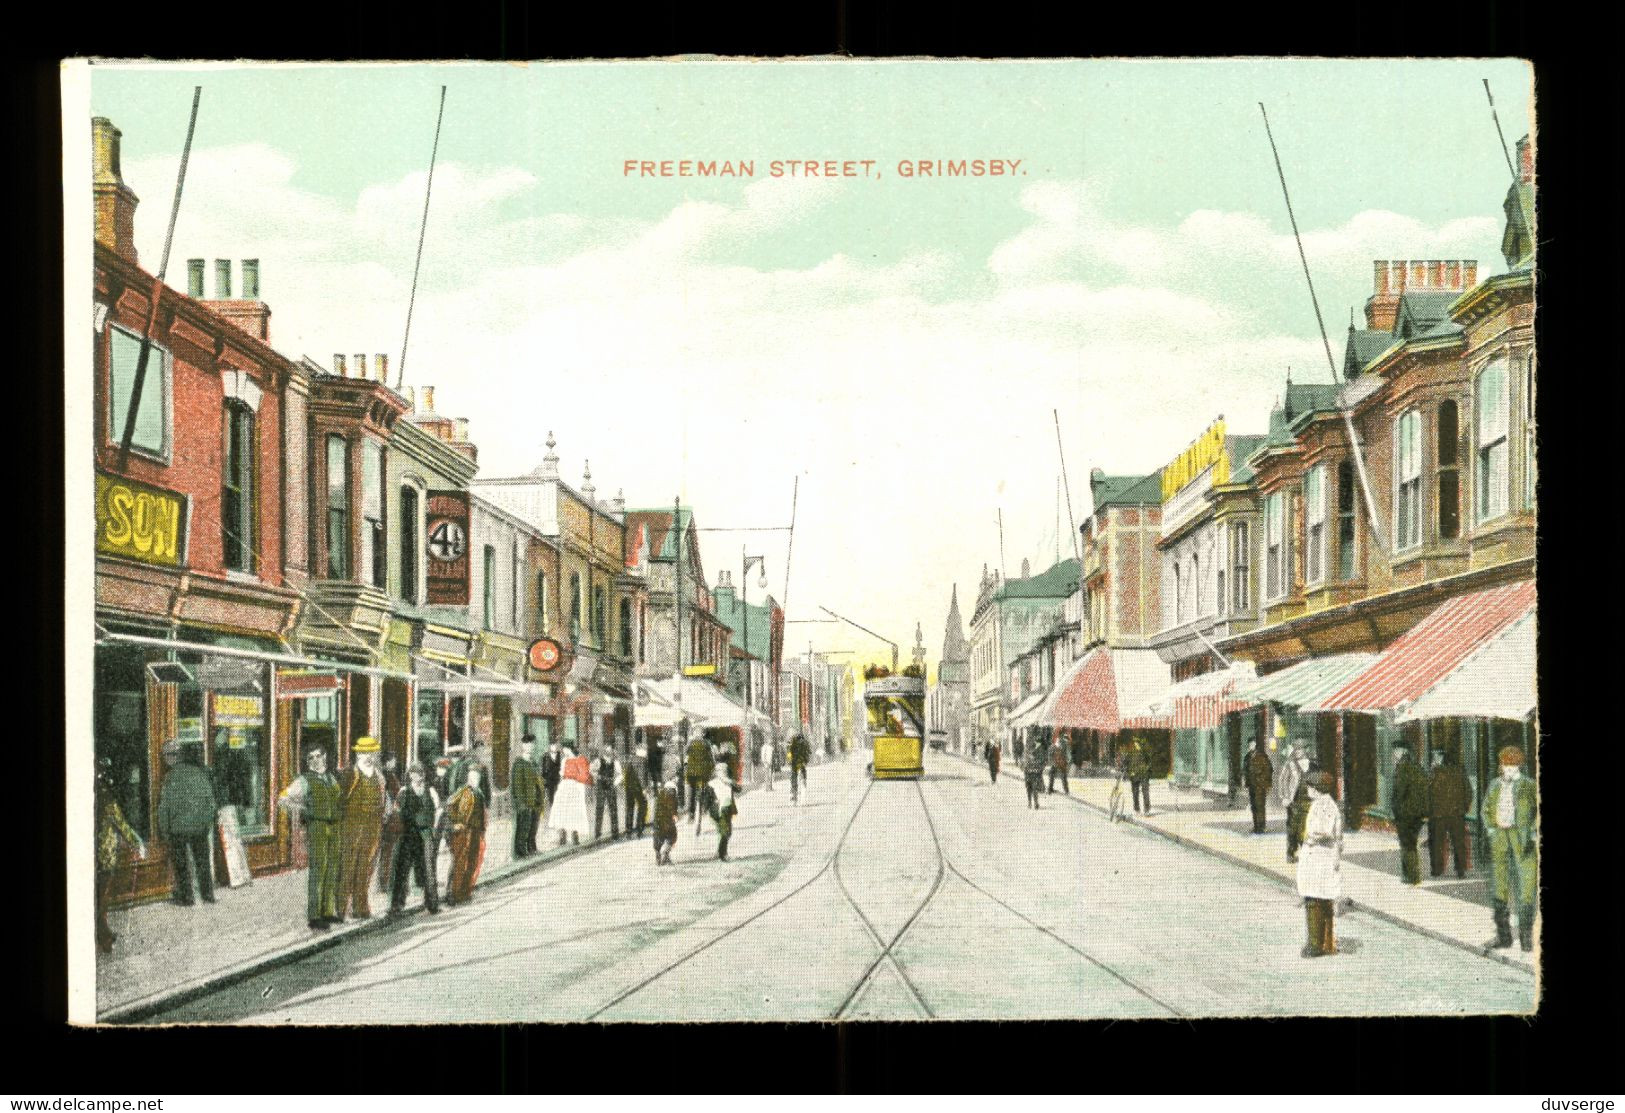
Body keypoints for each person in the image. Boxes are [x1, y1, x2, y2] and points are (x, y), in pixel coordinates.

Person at [279, 744, 343, 929]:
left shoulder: (332, 778)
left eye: (318, 756)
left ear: (325, 757)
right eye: (311, 758)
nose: (315, 760)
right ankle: (315, 916)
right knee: (318, 869)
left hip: (334, 826)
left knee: (332, 868)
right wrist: (303, 810)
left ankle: (328, 911)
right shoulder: (304, 780)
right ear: (307, 762)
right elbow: (283, 799)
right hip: (317, 826)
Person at [1481, 745, 1537, 952]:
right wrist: (1490, 829)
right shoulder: (1495, 785)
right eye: (1506, 764)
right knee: (1499, 885)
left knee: (1526, 887)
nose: (1509, 769)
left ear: (1520, 766)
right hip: (1500, 837)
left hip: (1522, 839)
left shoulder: (1529, 785)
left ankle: (1526, 938)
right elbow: (1486, 809)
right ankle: (1503, 936)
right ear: (1501, 766)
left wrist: (1532, 831)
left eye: (1513, 765)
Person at [154, 739, 217, 907]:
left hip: (178, 829)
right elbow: (211, 803)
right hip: (199, 827)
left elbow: (164, 808)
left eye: (170, 755)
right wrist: (206, 824)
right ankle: (208, 894)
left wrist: (165, 831)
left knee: (181, 865)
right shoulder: (200, 773)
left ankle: (187, 897)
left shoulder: (170, 777)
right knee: (203, 862)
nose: (169, 758)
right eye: (167, 754)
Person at [336, 736, 392, 921]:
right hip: (351, 828)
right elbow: (338, 801)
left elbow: (385, 801)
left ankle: (361, 908)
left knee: (366, 868)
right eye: (364, 752)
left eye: (371, 752)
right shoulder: (349, 774)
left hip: (373, 827)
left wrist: (385, 814)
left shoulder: (379, 776)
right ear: (358, 754)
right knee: (347, 869)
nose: (368, 756)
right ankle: (341, 911)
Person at [95, 757, 147, 952]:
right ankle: (104, 937)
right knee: (102, 897)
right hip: (104, 855)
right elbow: (121, 824)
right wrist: (137, 843)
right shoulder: (106, 799)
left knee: (98, 896)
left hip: (89, 856)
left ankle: (104, 932)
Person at [1296, 770, 1343, 958]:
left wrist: (1308, 837)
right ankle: (1324, 942)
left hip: (1320, 859)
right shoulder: (1322, 804)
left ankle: (1316, 944)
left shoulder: (1324, 805)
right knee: (1320, 900)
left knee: (1315, 901)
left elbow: (1324, 830)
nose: (1307, 789)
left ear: (1316, 789)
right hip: (1320, 859)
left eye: (1309, 786)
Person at [389, 762, 442, 915]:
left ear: (423, 775)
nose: (416, 776)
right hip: (408, 834)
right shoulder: (404, 791)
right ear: (410, 776)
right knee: (403, 868)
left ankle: (432, 903)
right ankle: (396, 905)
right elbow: (396, 811)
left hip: (426, 833)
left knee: (429, 868)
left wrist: (434, 828)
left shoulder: (430, 791)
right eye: (413, 774)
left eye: (419, 773)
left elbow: (438, 810)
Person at [444, 765, 488, 906]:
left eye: (478, 776)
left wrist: (482, 830)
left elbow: (482, 813)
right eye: (473, 776)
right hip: (463, 832)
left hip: (475, 832)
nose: (476, 779)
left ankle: (464, 892)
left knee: (472, 862)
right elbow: (449, 805)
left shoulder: (479, 793)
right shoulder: (463, 791)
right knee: (459, 862)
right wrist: (455, 823)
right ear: (468, 777)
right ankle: (452, 893)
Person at [1428, 751, 1472, 880]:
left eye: (1436, 757)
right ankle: (1461, 870)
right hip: (1457, 813)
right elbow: (1468, 791)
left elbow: (1428, 791)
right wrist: (1464, 807)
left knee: (1437, 842)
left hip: (1438, 814)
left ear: (1441, 758)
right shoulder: (1459, 771)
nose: (1434, 759)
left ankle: (1437, 869)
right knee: (1459, 842)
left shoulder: (1435, 772)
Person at [1390, 744, 1429, 885]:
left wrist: (1395, 810)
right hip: (1417, 814)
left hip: (1405, 814)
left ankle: (1412, 876)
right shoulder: (1417, 767)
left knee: (1407, 845)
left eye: (1395, 751)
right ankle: (1409, 874)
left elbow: (1399, 792)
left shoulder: (1402, 768)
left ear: (1401, 751)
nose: (1393, 753)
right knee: (1411, 843)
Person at [549, 743, 592, 846]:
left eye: (565, 749)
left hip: (575, 786)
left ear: (569, 749)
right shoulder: (564, 761)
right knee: (562, 810)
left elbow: (583, 776)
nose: (563, 751)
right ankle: (562, 835)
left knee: (574, 812)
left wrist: (580, 788)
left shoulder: (579, 759)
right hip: (565, 786)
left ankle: (575, 835)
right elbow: (562, 774)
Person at [511, 736, 545, 858]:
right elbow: (517, 786)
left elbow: (539, 781)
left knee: (533, 827)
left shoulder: (534, 763)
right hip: (525, 803)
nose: (530, 747)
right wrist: (521, 804)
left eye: (532, 744)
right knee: (523, 828)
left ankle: (532, 848)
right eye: (527, 744)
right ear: (522, 746)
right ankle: (521, 852)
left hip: (536, 801)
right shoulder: (519, 764)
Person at [376, 755, 403, 894]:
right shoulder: (387, 777)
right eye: (392, 760)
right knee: (388, 853)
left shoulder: (388, 775)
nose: (395, 762)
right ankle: (385, 883)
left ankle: (386, 882)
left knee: (388, 853)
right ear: (387, 762)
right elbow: (389, 798)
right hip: (390, 820)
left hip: (391, 820)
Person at [1280, 742, 1312, 862]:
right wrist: (1284, 797)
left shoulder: (1311, 763)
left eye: (1300, 749)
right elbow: (1282, 780)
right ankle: (1291, 853)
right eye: (1296, 749)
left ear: (1305, 750)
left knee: (1305, 828)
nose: (1297, 751)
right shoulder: (1290, 764)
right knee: (1293, 829)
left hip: (1308, 801)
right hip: (1294, 801)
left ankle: (1305, 853)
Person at [706, 761, 741, 861]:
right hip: (719, 810)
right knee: (725, 832)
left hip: (727, 809)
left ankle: (718, 852)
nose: (724, 773)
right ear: (717, 773)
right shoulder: (712, 784)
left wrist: (730, 782)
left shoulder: (729, 782)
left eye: (725, 771)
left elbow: (739, 789)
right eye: (721, 771)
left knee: (724, 832)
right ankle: (723, 854)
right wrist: (709, 809)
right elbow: (707, 799)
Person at [594, 745, 624, 840]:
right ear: (603, 752)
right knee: (599, 809)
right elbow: (592, 771)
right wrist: (597, 777)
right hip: (601, 787)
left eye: (610, 751)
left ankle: (615, 833)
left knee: (613, 809)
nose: (609, 752)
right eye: (607, 750)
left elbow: (620, 775)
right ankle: (597, 832)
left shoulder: (615, 762)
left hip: (610, 787)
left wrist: (615, 783)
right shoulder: (598, 761)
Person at [1244, 739, 1274, 835]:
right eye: (1249, 745)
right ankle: (1256, 826)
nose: (1251, 746)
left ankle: (1262, 826)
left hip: (1260, 786)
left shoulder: (1262, 756)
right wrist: (1246, 781)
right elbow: (1245, 770)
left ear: (1256, 745)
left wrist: (1264, 782)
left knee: (1260, 806)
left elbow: (1269, 770)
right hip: (1252, 786)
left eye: (1252, 744)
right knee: (1253, 806)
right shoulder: (1247, 757)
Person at [685, 732, 715, 821]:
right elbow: (712, 760)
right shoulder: (707, 743)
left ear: (694, 734)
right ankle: (705, 809)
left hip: (692, 773)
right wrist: (711, 770)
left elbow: (685, 757)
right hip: (703, 773)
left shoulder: (690, 743)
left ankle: (691, 815)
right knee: (705, 789)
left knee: (691, 793)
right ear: (702, 734)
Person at [652, 778, 680, 865]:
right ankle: (666, 853)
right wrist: (675, 816)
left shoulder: (659, 796)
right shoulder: (673, 796)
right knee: (672, 837)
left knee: (657, 839)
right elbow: (673, 810)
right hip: (668, 822)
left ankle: (658, 855)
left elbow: (656, 811)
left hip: (658, 823)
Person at [624, 745, 650, 838]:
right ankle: (639, 830)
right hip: (639, 788)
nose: (646, 752)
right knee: (643, 807)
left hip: (629, 788)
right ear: (640, 750)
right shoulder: (642, 760)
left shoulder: (630, 759)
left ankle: (628, 831)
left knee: (629, 808)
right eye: (645, 750)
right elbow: (642, 775)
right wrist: (644, 789)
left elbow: (626, 774)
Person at [1124, 738, 1152, 815]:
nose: (1136, 744)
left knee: (1145, 791)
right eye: (1135, 743)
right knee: (1135, 793)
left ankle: (1147, 810)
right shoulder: (1131, 752)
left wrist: (1146, 769)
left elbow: (1149, 761)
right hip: (1134, 775)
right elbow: (1126, 763)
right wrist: (1128, 772)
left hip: (1144, 774)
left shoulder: (1145, 751)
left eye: (1137, 743)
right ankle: (1137, 809)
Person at [540, 738, 564, 822]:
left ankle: (558, 816)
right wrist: (544, 780)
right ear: (549, 746)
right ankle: (552, 816)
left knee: (558, 797)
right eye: (552, 745)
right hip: (549, 781)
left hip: (557, 780)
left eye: (555, 745)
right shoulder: (545, 756)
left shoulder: (559, 755)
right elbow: (543, 770)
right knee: (551, 799)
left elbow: (561, 767)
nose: (554, 747)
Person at [788, 734, 811, 804]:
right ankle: (803, 799)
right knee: (803, 780)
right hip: (801, 764)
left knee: (793, 780)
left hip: (794, 764)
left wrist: (789, 761)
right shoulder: (805, 744)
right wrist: (806, 762)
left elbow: (789, 754)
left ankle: (793, 799)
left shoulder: (793, 744)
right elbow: (808, 754)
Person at [1023, 742, 1046, 809]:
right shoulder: (1026, 755)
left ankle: (1034, 803)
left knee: (1032, 789)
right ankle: (1031, 803)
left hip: (1032, 775)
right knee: (1030, 789)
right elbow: (1023, 765)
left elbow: (1041, 765)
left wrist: (1038, 770)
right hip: (1029, 775)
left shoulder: (1036, 755)